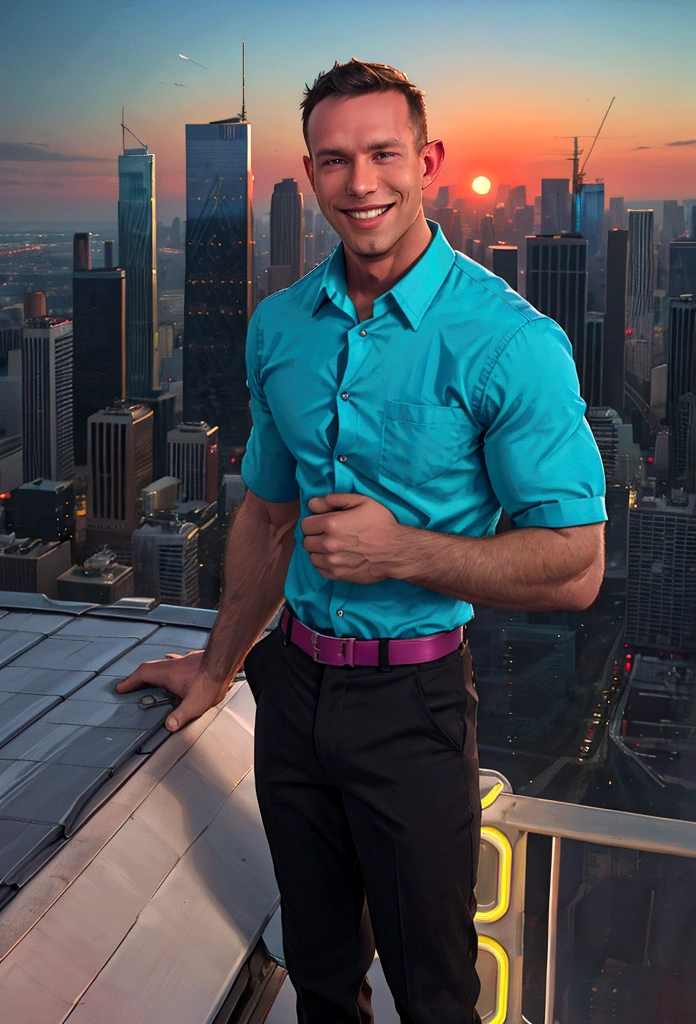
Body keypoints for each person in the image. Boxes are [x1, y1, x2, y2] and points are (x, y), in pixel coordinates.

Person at [118, 60, 606, 1024]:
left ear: (427, 161)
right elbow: (265, 517)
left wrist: (402, 552)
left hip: (414, 705)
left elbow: (578, 564)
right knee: (319, 974)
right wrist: (220, 668)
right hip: (290, 690)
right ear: (310, 174)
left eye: (384, 154)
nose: (362, 183)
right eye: (335, 161)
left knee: (434, 993)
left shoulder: (511, 343)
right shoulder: (279, 330)